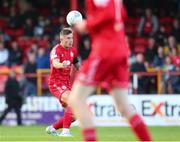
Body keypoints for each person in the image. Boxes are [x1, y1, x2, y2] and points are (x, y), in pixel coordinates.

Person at [68, 0, 152, 141]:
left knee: (76, 99)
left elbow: (109, 12)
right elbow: (121, 13)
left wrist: (87, 24)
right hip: (119, 50)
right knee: (123, 106)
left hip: (105, 51)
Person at [46, 28, 80, 136]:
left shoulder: (73, 51)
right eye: (68, 38)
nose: (71, 41)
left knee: (74, 116)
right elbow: (55, 63)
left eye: (72, 38)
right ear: (62, 38)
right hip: (56, 84)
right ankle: (65, 132)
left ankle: (52, 128)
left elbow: (78, 66)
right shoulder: (56, 50)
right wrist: (62, 65)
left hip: (66, 84)